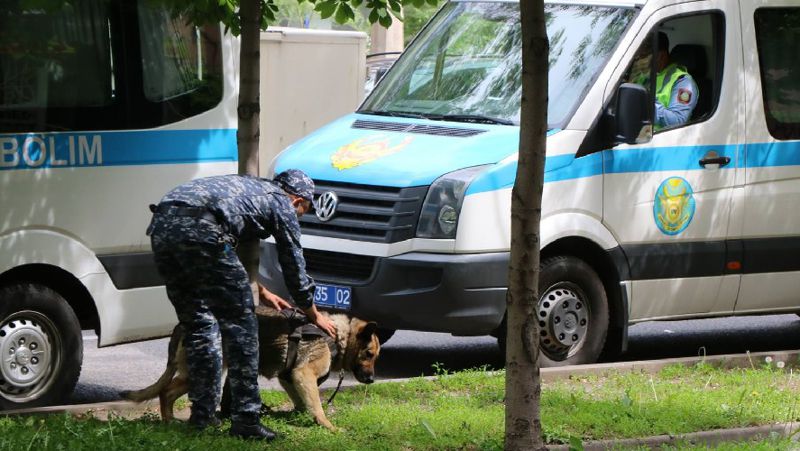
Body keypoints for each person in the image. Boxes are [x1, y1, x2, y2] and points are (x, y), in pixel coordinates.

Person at [146, 169, 336, 441]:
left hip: (162, 225)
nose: (299, 217)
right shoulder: (282, 203)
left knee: (200, 323)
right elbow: (293, 266)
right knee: (244, 327)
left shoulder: (250, 190)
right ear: (297, 201)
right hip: (202, 231)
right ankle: (246, 419)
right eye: (303, 212)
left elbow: (227, 247)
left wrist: (262, 290)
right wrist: (313, 313)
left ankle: (202, 419)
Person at [631, 32, 699, 130]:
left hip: (660, 137)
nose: (639, 60)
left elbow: (678, 120)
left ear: (660, 56)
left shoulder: (682, 82)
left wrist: (646, 106)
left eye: (644, 56)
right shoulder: (644, 77)